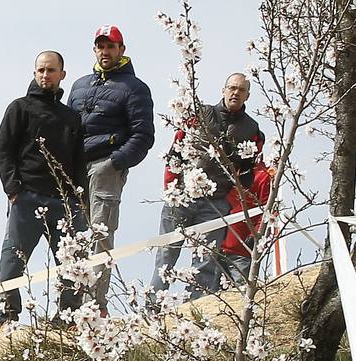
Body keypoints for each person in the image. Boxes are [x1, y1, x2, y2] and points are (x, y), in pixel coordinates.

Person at [0, 50, 89, 330]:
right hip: (27, 197)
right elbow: (3, 150)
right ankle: (5, 317)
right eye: (41, 70)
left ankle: (68, 317)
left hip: (65, 203)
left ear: (62, 75)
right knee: (13, 258)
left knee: (70, 262)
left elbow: (79, 159)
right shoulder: (19, 107)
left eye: (51, 70)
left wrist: (78, 195)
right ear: (34, 73)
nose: (45, 75)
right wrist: (13, 190)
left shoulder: (71, 117)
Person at [151, 74, 264, 299]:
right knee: (166, 254)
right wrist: (171, 187)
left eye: (241, 90)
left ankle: (196, 307)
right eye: (232, 87)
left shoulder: (252, 130)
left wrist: (231, 202)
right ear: (223, 90)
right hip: (182, 196)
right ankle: (153, 306)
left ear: (247, 95)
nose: (235, 93)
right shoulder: (200, 114)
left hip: (215, 203)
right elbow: (176, 150)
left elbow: (248, 173)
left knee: (206, 261)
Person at [67, 25, 155, 310]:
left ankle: (94, 304)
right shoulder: (79, 85)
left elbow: (143, 136)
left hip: (106, 165)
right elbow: (67, 127)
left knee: (100, 232)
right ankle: (69, 305)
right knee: (71, 235)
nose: (105, 51)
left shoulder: (136, 88)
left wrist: (115, 163)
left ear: (121, 50)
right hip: (75, 168)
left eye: (111, 46)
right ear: (95, 49)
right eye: (101, 46)